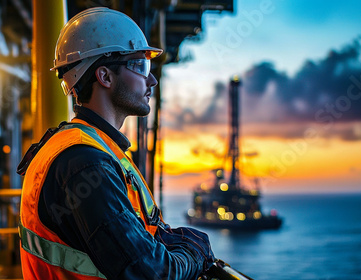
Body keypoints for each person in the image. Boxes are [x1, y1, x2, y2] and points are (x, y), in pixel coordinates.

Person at [17, 7, 215, 280]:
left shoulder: (96, 149)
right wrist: (195, 251)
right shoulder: (84, 163)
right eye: (140, 65)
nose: (152, 80)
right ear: (105, 76)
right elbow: (152, 274)